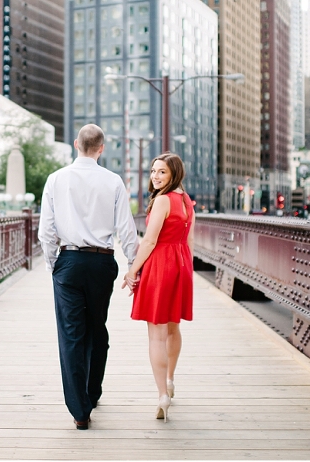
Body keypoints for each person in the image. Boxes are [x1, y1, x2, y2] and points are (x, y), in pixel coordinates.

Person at [38, 123, 139, 430]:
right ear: (101, 148)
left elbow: (46, 231)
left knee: (71, 334)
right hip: (102, 262)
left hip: (68, 261)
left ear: (75, 144)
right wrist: (134, 265)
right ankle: (92, 392)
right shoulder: (113, 181)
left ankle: (80, 410)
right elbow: (127, 230)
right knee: (97, 328)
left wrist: (53, 264)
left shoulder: (56, 179)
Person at [122, 152, 194, 423]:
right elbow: (189, 241)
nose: (155, 176)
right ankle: (171, 379)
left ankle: (163, 393)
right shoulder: (187, 201)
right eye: (153, 171)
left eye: (162, 171)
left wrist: (132, 271)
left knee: (157, 334)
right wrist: (188, 272)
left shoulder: (162, 201)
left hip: (161, 266)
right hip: (181, 265)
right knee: (173, 327)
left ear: (174, 174)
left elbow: (150, 241)